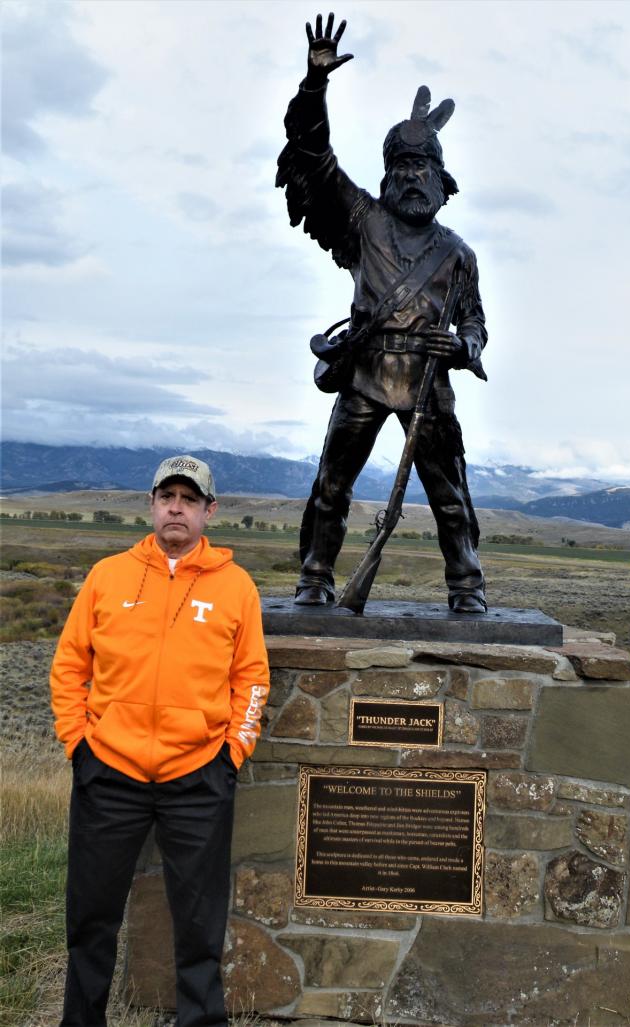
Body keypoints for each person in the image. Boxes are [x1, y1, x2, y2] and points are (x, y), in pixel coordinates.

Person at [276, 12, 488, 614]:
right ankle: (315, 576)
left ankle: (466, 587)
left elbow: (475, 321)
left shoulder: (458, 254)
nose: (412, 179)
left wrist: (465, 347)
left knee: (450, 493)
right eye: (402, 169)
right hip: (366, 374)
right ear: (388, 176)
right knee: (331, 487)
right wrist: (315, 84)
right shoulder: (362, 222)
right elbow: (314, 154)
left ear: (442, 182)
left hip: (428, 380)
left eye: (423, 170)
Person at [50, 454, 270, 1027]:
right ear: (151, 505)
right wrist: (80, 743)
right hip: (109, 773)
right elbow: (69, 666)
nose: (177, 507)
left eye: (189, 499)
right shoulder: (108, 576)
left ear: (208, 512)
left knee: (200, 926)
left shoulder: (236, 587)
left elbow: (251, 680)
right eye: (167, 497)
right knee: (91, 918)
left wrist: (231, 754)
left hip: (197, 776)